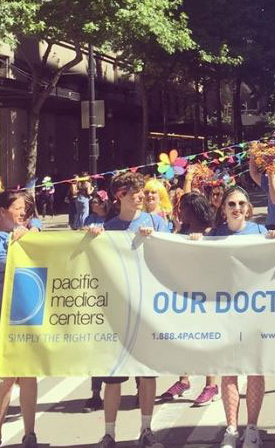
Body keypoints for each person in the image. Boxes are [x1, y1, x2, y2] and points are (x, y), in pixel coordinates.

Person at [87, 171, 169, 448]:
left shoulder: (156, 221)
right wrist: (92, 238)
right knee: (114, 376)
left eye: (143, 193)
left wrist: (156, 239)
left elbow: (174, 254)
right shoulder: (107, 227)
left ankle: (146, 430)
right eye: (135, 194)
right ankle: (109, 433)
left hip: (147, 309)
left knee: (146, 373)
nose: (142, 198)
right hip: (117, 311)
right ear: (120, 196)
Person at [209, 186, 275, 448]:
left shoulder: (260, 232)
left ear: (249, 208)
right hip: (226, 311)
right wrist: (193, 240)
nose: (237, 208)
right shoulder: (214, 235)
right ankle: (231, 428)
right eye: (231, 204)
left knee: (254, 369)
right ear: (224, 209)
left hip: (255, 310)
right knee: (228, 370)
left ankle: (251, 428)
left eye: (241, 204)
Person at [0, 191, 40, 448]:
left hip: (27, 312)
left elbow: (40, 233)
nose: (22, 212)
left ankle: (30, 433)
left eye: (25, 208)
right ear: (2, 210)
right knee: (5, 375)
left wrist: (30, 232)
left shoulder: (26, 233)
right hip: (2, 313)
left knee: (27, 374)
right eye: (17, 207)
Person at [160, 193, 220, 408]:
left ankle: (211, 385)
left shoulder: (210, 232)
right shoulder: (182, 230)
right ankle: (183, 381)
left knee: (206, 340)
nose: (180, 211)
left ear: (194, 209)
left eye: (183, 208)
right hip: (183, 293)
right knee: (183, 338)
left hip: (207, 295)